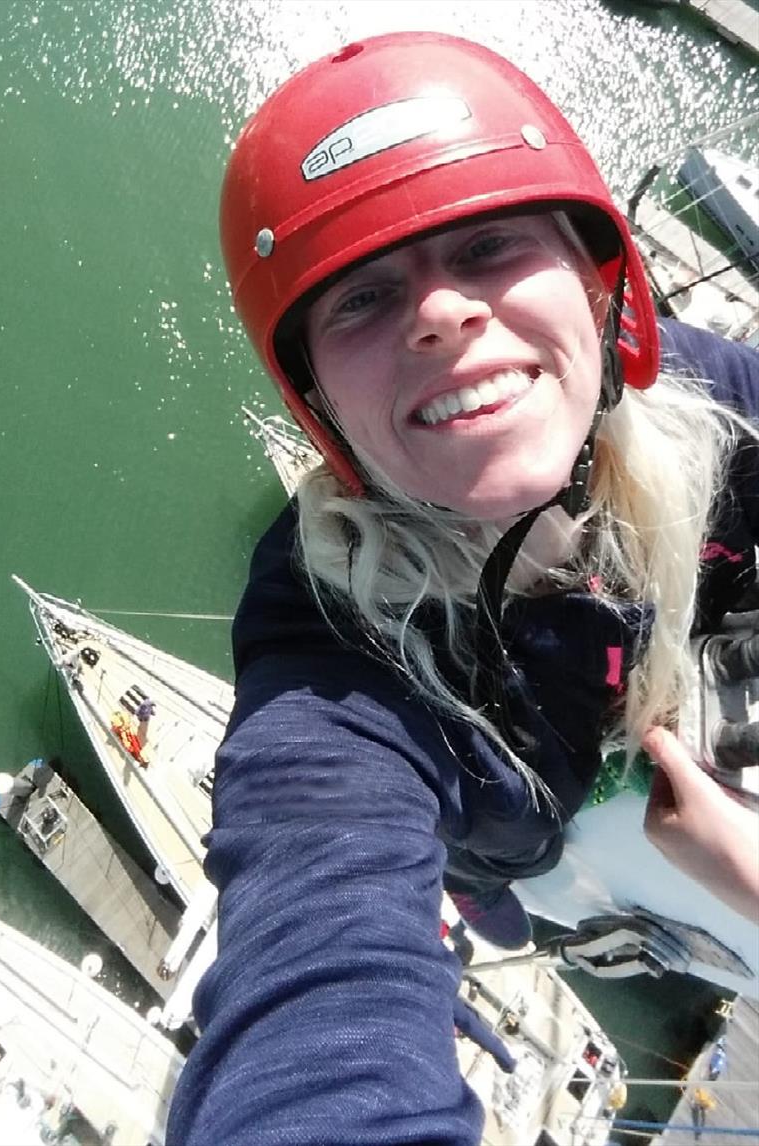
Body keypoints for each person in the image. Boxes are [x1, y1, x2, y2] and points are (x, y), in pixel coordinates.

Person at [168, 31, 758, 1144]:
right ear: (318, 404)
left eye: (488, 244)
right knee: (506, 898)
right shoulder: (327, 636)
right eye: (359, 299)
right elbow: (313, 928)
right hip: (529, 864)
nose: (440, 312)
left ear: (600, 288)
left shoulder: (719, 405)